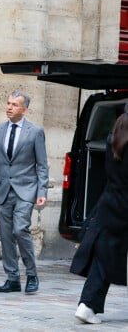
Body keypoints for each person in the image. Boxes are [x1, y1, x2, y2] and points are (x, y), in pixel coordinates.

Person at [0, 90, 48, 294]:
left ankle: (32, 274)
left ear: (24, 109)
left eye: (14, 105)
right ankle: (12, 278)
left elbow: (42, 165)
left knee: (20, 230)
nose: (9, 107)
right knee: (6, 235)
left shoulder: (35, 132)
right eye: (8, 103)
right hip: (2, 190)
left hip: (26, 190)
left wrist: (42, 190)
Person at [70, 105, 128, 324]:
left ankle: (87, 304)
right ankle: (87, 304)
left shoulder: (113, 138)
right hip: (124, 205)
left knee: (104, 256)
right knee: (106, 257)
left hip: (109, 202)